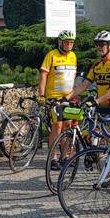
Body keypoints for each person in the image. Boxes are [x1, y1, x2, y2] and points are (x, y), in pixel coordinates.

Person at [70, 30, 110, 190]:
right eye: (98, 44)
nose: (99, 47)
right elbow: (83, 85)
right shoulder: (97, 65)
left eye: (103, 44)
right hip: (103, 109)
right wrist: (65, 98)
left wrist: (95, 101)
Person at [39, 29, 78, 161]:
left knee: (68, 127)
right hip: (54, 97)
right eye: (66, 42)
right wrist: (41, 94)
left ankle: (65, 156)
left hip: (68, 97)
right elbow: (43, 75)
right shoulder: (51, 55)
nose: (69, 45)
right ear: (60, 42)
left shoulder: (73, 56)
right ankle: (53, 158)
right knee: (57, 127)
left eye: (71, 42)